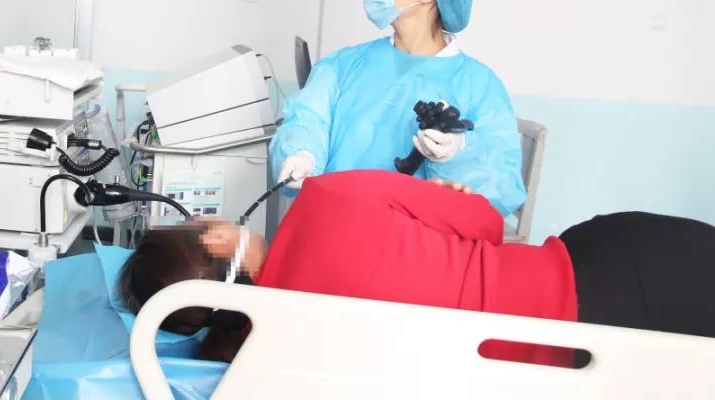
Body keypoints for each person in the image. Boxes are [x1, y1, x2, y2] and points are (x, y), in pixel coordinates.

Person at [119, 171, 715, 365]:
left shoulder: (280, 356)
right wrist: (449, 200)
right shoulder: (326, 198)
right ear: (217, 237)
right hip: (616, 273)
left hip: (584, 345)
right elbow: (486, 223)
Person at [271, 0, 525, 215]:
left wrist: (459, 153)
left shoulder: (480, 86)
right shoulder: (342, 65)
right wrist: (302, 153)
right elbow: (305, 120)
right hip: (335, 225)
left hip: (417, 237)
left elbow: (503, 188)